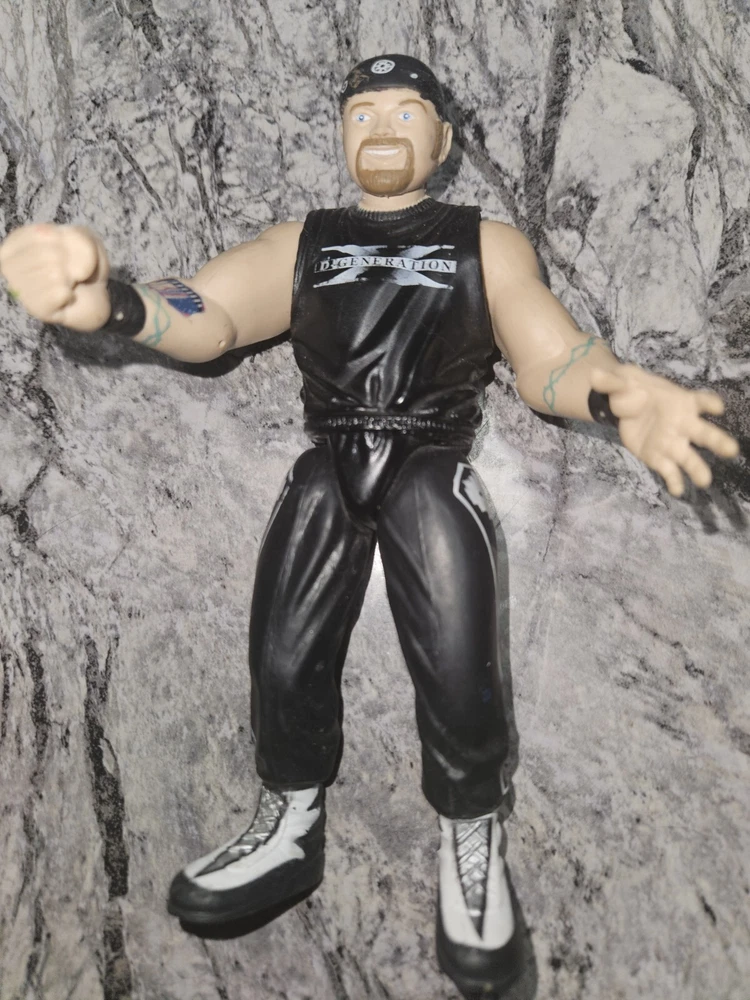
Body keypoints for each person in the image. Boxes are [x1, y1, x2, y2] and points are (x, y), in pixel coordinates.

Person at [0, 54, 738, 998]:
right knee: (283, 644)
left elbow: (550, 356)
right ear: (341, 133)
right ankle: (288, 820)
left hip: (431, 464)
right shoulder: (305, 241)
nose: (382, 127)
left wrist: (615, 394)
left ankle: (470, 833)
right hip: (332, 457)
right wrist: (114, 302)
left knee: (460, 661)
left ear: (444, 138)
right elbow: (209, 313)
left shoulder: (484, 243)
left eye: (405, 110)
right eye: (361, 112)